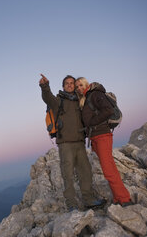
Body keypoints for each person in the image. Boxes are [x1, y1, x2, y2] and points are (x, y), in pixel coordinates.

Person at [39, 74, 106, 211]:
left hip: (80, 142)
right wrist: (45, 86)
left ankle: (89, 200)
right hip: (65, 144)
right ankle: (72, 204)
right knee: (67, 174)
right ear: (63, 86)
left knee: (85, 171)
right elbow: (47, 98)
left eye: (71, 83)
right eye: (67, 83)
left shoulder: (80, 101)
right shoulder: (58, 101)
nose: (69, 85)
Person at [75, 77, 132, 207]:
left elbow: (108, 110)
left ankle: (124, 199)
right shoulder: (86, 98)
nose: (79, 88)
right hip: (95, 138)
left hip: (102, 136)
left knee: (108, 170)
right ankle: (118, 197)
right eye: (77, 86)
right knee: (108, 168)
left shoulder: (95, 94)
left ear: (86, 84)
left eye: (81, 85)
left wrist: (92, 122)